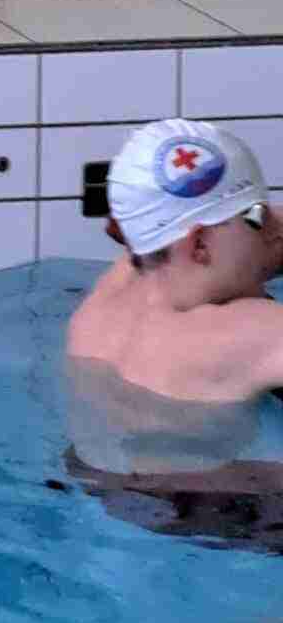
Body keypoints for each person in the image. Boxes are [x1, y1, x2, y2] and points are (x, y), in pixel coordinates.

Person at [63, 118, 283, 542]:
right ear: (198, 245)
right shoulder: (246, 332)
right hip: (208, 507)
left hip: (95, 481)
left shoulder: (110, 294)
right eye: (257, 218)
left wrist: (247, 217)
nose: (273, 230)